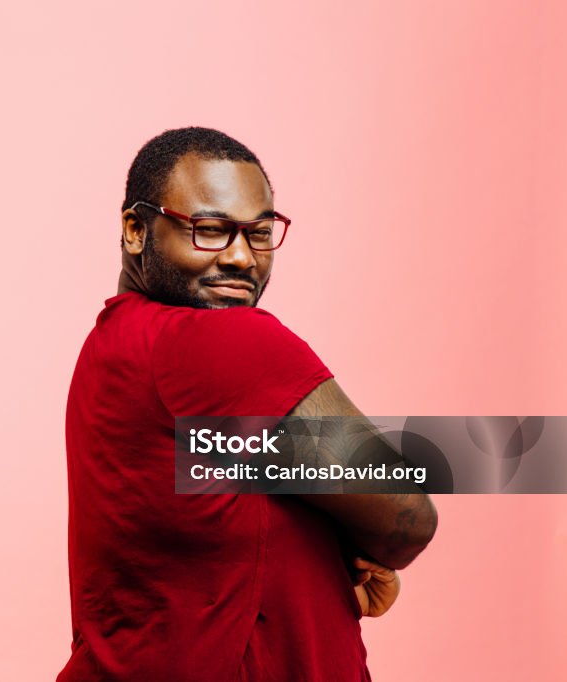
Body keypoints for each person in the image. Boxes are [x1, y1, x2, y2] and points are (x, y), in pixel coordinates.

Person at [58, 127, 437, 681]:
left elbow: (219, 493)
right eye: (210, 231)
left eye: (259, 234)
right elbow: (407, 516)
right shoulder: (220, 341)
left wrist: (330, 551)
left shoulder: (112, 345)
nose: (241, 258)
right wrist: (366, 537)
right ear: (136, 228)